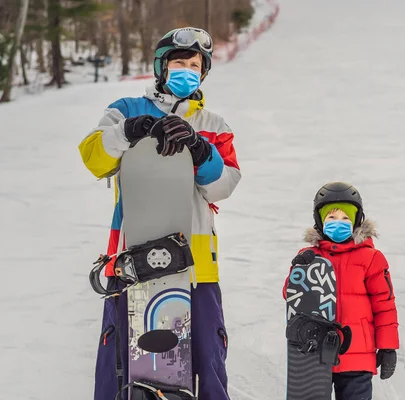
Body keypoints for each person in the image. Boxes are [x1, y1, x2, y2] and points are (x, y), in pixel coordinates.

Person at [78, 27, 242, 400]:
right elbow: (93, 159)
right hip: (131, 261)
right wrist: (127, 132)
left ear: (203, 73)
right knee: (121, 361)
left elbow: (223, 186)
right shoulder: (126, 109)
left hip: (197, 268)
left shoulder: (214, 126)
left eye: (195, 66)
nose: (187, 71)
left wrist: (200, 150)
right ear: (161, 67)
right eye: (179, 63)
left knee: (207, 363)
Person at [284, 182, 399, 400]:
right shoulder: (310, 256)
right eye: (332, 218)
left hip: (357, 356)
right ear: (320, 221)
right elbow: (293, 299)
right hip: (315, 357)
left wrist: (387, 347)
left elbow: (385, 306)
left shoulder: (371, 259)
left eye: (346, 218)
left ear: (357, 220)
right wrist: (299, 270)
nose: (339, 224)